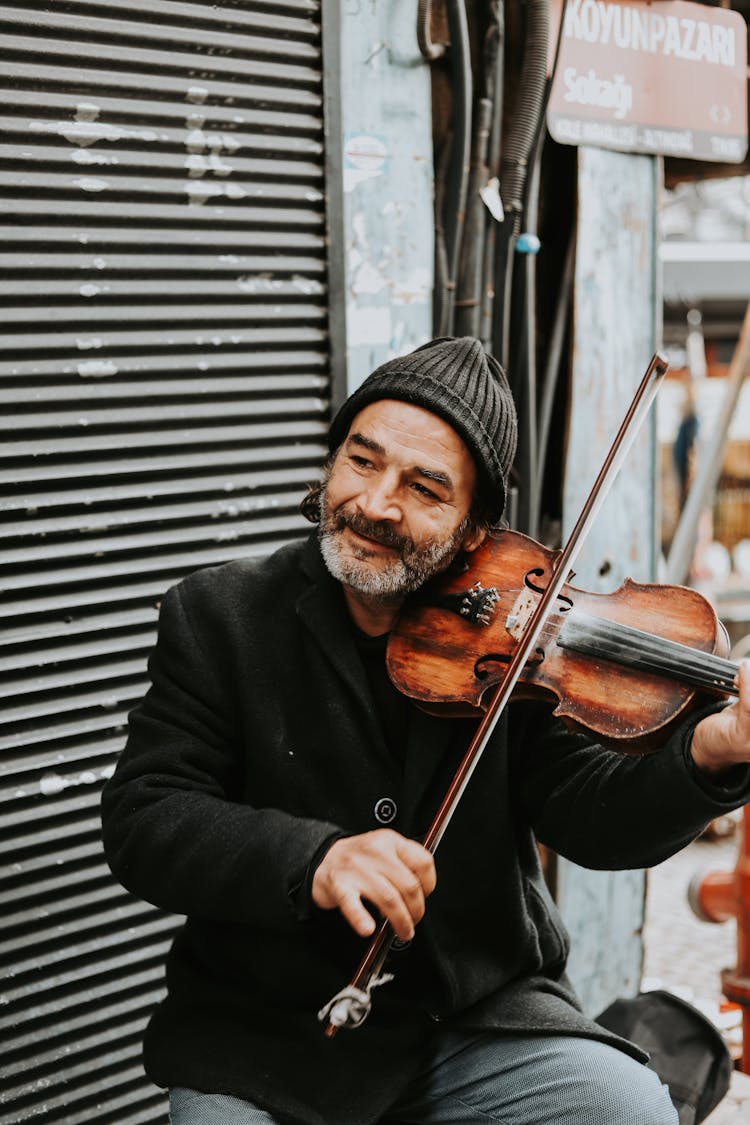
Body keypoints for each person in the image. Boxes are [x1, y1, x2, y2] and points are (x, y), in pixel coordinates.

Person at [101, 336, 750, 1125]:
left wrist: (709, 752)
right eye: (362, 461)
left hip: (469, 1018)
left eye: (424, 487)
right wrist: (316, 857)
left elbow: (594, 816)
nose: (375, 503)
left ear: (476, 529)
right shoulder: (220, 616)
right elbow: (147, 817)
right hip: (264, 1038)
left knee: (627, 1107)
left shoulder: (517, 648)